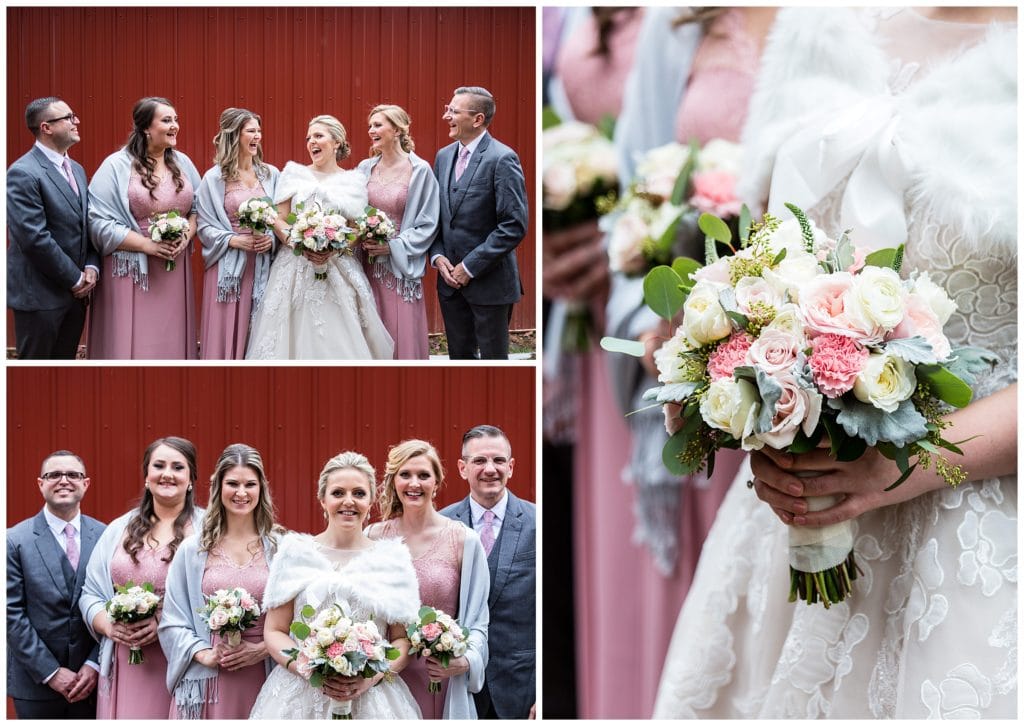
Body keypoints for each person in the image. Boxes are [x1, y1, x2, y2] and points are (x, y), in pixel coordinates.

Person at [653, 7, 1017, 718]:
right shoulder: (818, 25)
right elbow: (766, 255)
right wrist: (713, 356)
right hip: (792, 522)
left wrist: (896, 468)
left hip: (975, 530)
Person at [547, 7, 776, 717]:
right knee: (636, 601)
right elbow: (640, 175)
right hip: (660, 335)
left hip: (775, 354)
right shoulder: (683, 22)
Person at [249, 452, 421, 719]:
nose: (348, 501)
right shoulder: (295, 553)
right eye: (338, 492)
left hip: (371, 696)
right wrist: (308, 668)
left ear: (371, 500)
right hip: (299, 694)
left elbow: (401, 639)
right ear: (323, 500)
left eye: (359, 493)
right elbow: (274, 631)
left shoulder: (393, 560)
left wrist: (370, 677)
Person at [245, 114, 394, 360]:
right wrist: (297, 242)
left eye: (318, 136)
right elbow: (278, 217)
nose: (311, 142)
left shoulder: (353, 181)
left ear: (336, 142)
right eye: (308, 138)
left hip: (337, 265)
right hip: (294, 267)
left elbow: (356, 227)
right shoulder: (293, 174)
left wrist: (334, 247)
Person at [79, 436, 205, 718]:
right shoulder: (117, 529)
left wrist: (162, 620)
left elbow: (217, 589)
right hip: (128, 660)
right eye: (158, 465)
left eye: (178, 467)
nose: (167, 474)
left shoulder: (207, 529)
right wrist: (110, 627)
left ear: (191, 479)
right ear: (147, 476)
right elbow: (90, 593)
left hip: (182, 658)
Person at [366, 439, 490, 718]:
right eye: (405, 475)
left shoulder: (464, 540)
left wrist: (465, 660)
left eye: (423, 475)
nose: (414, 483)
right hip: (385, 676)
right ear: (393, 481)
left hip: (440, 675)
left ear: (437, 482)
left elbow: (479, 621)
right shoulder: (372, 537)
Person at [159, 444, 279, 718]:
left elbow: (297, 621)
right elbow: (172, 621)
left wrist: (262, 649)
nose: (241, 492)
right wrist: (204, 654)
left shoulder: (280, 549)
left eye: (250, 484)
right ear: (218, 487)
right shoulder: (193, 550)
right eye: (232, 483)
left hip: (264, 677)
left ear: (261, 488)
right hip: (208, 683)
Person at [86, 96, 201, 359]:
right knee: (134, 344)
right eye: (167, 120)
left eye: (176, 120)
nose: (175, 126)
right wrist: (148, 245)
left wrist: (187, 234)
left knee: (169, 342)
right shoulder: (115, 165)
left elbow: (200, 209)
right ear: (146, 127)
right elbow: (96, 220)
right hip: (131, 269)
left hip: (173, 267)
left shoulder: (183, 163)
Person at [441, 425, 536, 719]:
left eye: (498, 461)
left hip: (521, 688)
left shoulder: (537, 522)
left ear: (511, 466)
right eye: (479, 461)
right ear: (462, 468)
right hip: (456, 687)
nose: (490, 469)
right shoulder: (442, 525)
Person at [429, 86, 529, 359]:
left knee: (493, 363)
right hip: (449, 285)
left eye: (453, 111)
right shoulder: (443, 156)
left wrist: (469, 267)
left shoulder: (502, 158)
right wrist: (438, 257)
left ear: (477, 119)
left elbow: (513, 225)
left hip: (490, 285)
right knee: (459, 360)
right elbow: (437, 218)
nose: (446, 116)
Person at [7, 450, 106, 717]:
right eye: (54, 475)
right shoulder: (14, 540)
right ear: (41, 484)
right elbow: (10, 615)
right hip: (35, 686)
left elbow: (113, 605)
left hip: (94, 684)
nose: (64, 480)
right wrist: (50, 672)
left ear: (86, 483)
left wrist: (94, 664)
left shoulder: (107, 535)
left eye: (73, 475)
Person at [7, 97, 98, 359]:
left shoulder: (77, 170)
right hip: (39, 299)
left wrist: (91, 266)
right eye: (69, 118)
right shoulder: (23, 173)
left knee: (63, 371)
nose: (76, 122)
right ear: (46, 127)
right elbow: (34, 237)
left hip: (75, 298)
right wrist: (76, 278)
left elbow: (85, 226)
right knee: (35, 376)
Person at [196, 109, 282, 359]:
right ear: (234, 135)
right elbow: (204, 225)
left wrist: (273, 240)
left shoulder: (271, 174)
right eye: (251, 131)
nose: (257, 136)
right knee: (226, 335)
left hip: (264, 264)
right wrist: (235, 240)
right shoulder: (214, 178)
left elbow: (283, 218)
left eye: (259, 131)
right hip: (228, 268)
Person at [355, 104, 440, 359]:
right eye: (370, 125)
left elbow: (428, 222)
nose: (371, 130)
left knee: (399, 336)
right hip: (366, 265)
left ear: (397, 129)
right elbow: (352, 211)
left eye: (378, 125)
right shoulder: (364, 168)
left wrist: (391, 246)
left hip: (399, 269)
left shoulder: (420, 170)